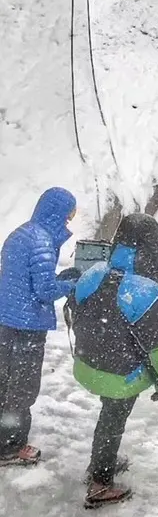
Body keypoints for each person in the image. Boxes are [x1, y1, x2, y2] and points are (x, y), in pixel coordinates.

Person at [71, 213, 158, 509]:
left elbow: (78, 315)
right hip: (121, 377)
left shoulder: (93, 273)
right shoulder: (147, 292)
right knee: (114, 417)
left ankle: (101, 460)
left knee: (109, 413)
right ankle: (100, 482)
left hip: (87, 366)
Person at [0, 187, 78, 466]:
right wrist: (70, 285)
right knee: (22, 387)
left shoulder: (19, 234)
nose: (67, 223)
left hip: (6, 321)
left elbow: (23, 278)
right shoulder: (43, 241)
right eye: (68, 218)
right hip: (27, 325)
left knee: (4, 381)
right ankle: (10, 447)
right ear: (57, 213)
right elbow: (44, 290)